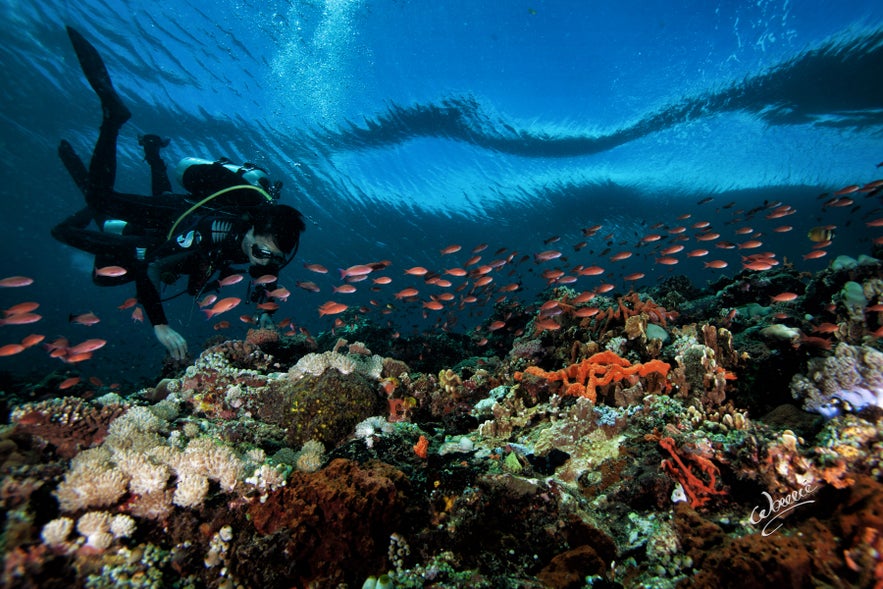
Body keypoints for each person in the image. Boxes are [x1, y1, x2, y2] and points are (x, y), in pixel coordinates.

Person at [52, 26, 306, 361]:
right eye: (261, 251)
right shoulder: (211, 230)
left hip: (183, 213)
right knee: (100, 200)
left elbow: (266, 279)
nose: (263, 260)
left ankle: (152, 150)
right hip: (174, 217)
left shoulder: (264, 247)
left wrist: (264, 317)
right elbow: (148, 264)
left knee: (155, 197)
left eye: (273, 257)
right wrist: (160, 324)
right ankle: (113, 118)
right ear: (251, 229)